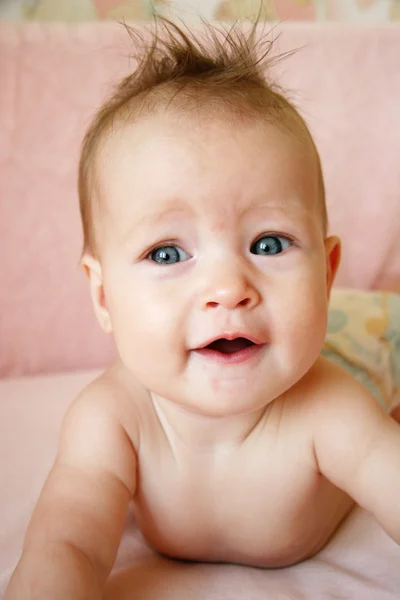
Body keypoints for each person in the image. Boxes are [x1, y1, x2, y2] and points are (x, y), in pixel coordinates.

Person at [5, 14, 400, 600]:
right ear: (104, 296)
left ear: (324, 273)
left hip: (370, 343)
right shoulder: (112, 419)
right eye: (167, 253)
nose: (228, 288)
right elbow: (69, 543)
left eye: (269, 244)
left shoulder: (332, 408)